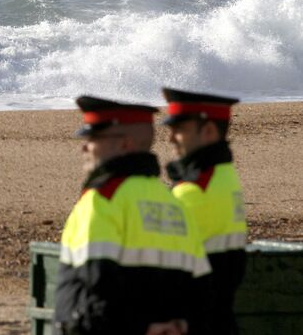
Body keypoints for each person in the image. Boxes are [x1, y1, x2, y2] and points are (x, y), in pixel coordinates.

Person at [54, 96, 211, 335]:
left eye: (94, 138)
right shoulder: (174, 204)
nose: (84, 147)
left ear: (124, 145)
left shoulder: (103, 200)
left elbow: (96, 288)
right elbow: (200, 292)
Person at [161, 88, 248, 335]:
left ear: (208, 131)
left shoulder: (194, 191)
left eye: (180, 129)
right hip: (217, 317)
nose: (171, 138)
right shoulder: (224, 176)